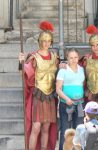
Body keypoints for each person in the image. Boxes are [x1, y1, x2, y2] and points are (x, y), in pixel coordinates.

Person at [19, 21, 59, 150]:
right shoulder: (34, 57)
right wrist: (21, 62)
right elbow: (25, 72)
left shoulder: (55, 57)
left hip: (50, 96)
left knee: (46, 127)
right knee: (36, 127)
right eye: (43, 40)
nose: (46, 43)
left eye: (48, 41)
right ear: (39, 41)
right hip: (39, 95)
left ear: (51, 42)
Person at [56, 49, 85, 150]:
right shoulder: (63, 70)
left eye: (75, 57)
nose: (73, 60)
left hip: (80, 104)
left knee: (79, 131)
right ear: (67, 58)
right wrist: (67, 99)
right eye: (71, 58)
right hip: (66, 104)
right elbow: (58, 89)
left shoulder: (81, 69)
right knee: (65, 131)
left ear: (78, 57)